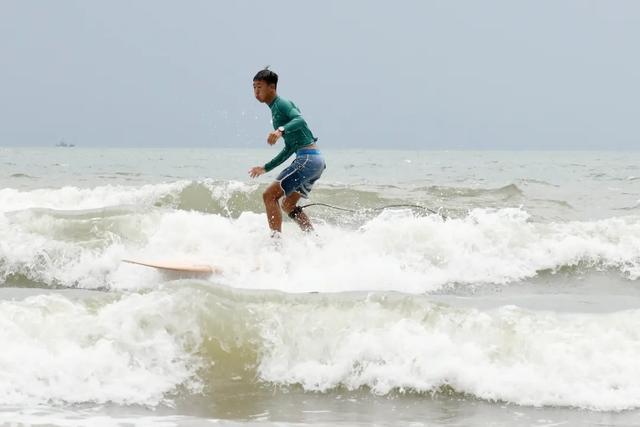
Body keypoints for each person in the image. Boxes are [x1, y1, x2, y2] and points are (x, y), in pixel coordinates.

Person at [249, 68, 326, 237]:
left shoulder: (281, 104)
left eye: (259, 87)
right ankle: (314, 240)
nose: (256, 91)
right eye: (254, 87)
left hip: (308, 158)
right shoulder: (274, 110)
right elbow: (290, 148)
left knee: (269, 195)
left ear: (272, 87)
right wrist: (266, 167)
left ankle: (275, 244)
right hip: (315, 161)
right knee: (288, 205)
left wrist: (280, 131)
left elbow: (300, 119)